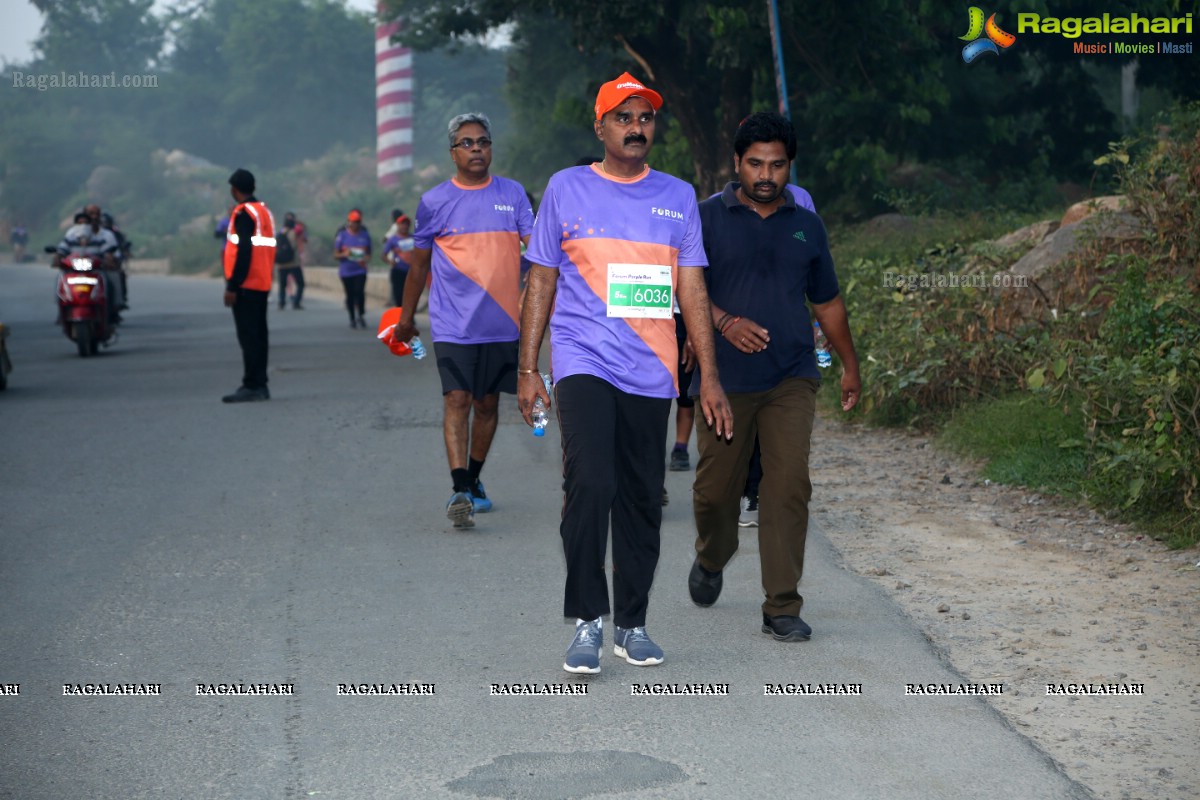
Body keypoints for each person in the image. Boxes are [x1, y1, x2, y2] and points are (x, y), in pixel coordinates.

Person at [518, 72, 733, 674]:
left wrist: (708, 374)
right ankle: (589, 618)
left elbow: (692, 287)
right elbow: (541, 279)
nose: (637, 128)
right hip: (583, 359)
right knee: (590, 484)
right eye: (624, 118)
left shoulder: (678, 196)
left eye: (645, 119)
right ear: (601, 127)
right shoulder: (566, 189)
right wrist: (528, 368)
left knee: (641, 498)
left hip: (652, 370)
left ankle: (632, 623)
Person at [687, 112, 861, 642]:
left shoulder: (806, 223)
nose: (766, 174)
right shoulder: (704, 218)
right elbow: (684, 290)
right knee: (715, 493)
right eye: (756, 163)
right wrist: (725, 323)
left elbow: (827, 302)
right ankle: (713, 555)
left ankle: (781, 604)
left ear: (790, 167)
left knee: (788, 486)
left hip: (791, 375)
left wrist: (850, 364)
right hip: (724, 378)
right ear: (736, 163)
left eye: (777, 165)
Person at [394, 112, 534, 528]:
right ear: (453, 152)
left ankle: (473, 481)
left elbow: (540, 249)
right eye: (468, 143)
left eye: (484, 142)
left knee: (487, 403)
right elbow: (418, 267)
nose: (477, 149)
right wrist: (406, 319)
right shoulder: (435, 201)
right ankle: (458, 487)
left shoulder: (513, 195)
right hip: (454, 323)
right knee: (457, 399)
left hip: (503, 323)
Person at [221, 168, 276, 403]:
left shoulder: (244, 213)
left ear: (235, 190)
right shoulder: (263, 211)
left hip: (246, 284)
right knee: (259, 335)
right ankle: (260, 383)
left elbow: (243, 252)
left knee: (249, 336)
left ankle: (252, 384)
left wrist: (232, 286)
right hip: (262, 282)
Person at [57, 206, 123, 323]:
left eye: (97, 214)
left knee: (110, 280)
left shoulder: (103, 236)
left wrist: (110, 259)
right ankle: (63, 307)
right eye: (90, 215)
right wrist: (58, 258)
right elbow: (62, 250)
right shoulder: (71, 234)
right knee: (60, 278)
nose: (94, 217)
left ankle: (112, 308)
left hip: (97, 269)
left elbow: (110, 252)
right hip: (75, 270)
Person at [333, 209, 371, 328]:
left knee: (359, 292)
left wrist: (365, 258)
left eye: (358, 222)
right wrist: (344, 254)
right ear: (349, 222)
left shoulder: (365, 235)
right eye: (353, 222)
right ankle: (352, 318)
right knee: (350, 294)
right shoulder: (342, 235)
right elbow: (335, 254)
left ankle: (361, 315)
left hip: (360, 269)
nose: (355, 224)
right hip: (346, 271)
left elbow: (369, 253)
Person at [381, 214, 415, 308]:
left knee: (411, 296)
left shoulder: (414, 238)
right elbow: (383, 255)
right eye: (402, 224)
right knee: (399, 297)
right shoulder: (393, 240)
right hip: (398, 272)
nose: (404, 226)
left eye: (406, 224)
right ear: (398, 225)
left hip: (412, 272)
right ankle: (399, 318)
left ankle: (409, 318)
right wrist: (390, 261)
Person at [276, 211, 305, 310]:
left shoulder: (279, 233)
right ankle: (296, 302)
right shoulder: (294, 233)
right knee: (301, 283)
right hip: (293, 263)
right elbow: (295, 246)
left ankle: (281, 302)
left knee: (282, 285)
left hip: (281, 264)